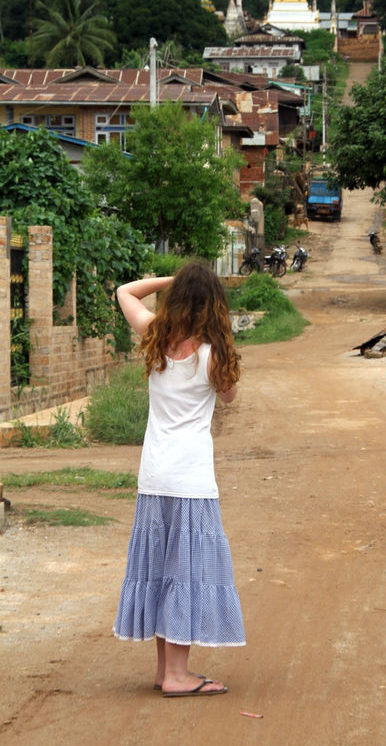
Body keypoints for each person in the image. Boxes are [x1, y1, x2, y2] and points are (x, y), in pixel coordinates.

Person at [113, 261, 245, 697]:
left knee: (158, 568)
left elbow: (125, 291)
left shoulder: (154, 337)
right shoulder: (214, 354)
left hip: (154, 475)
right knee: (184, 572)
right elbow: (228, 396)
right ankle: (177, 676)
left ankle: (162, 670)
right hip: (190, 479)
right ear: (214, 305)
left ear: (178, 298)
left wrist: (174, 282)